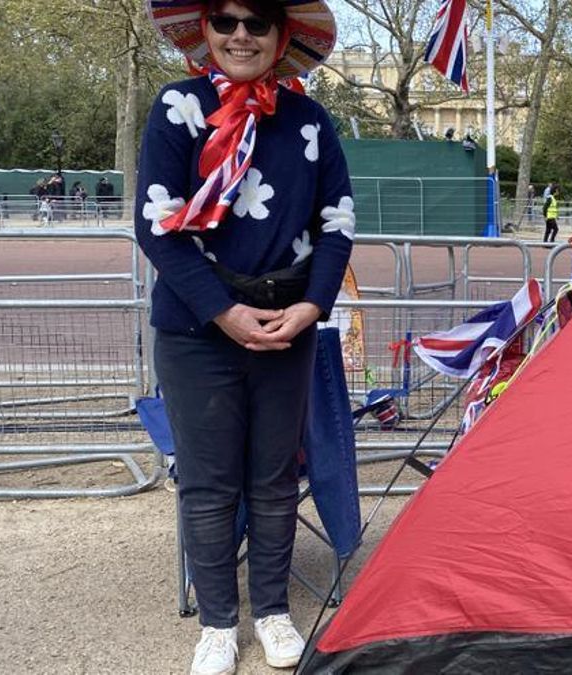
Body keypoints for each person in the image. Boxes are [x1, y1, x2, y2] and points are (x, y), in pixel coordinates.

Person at [134, 1, 351, 673]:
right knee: (207, 481)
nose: (240, 35)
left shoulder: (311, 120)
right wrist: (223, 310)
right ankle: (218, 622)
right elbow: (156, 223)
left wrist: (313, 305)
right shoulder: (177, 107)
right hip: (198, 326)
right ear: (203, 30)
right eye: (225, 20)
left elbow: (337, 223)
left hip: (287, 323)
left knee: (275, 477)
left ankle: (274, 611)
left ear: (281, 35)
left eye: (257, 21)